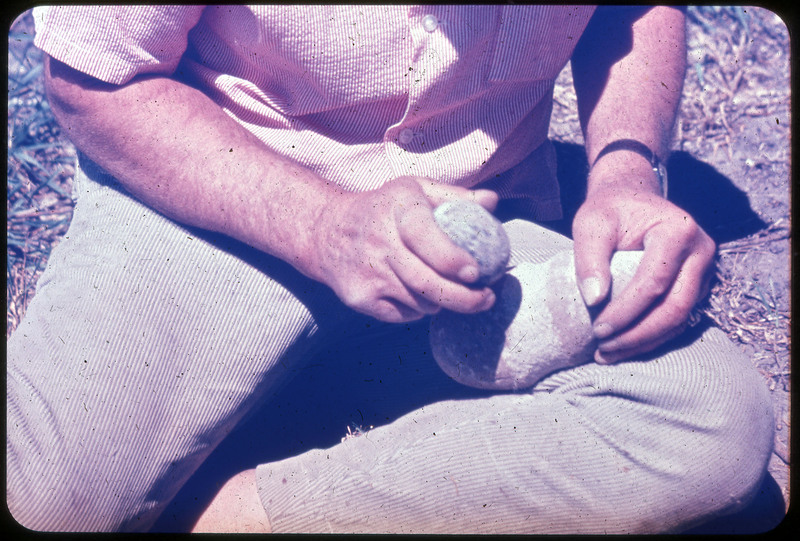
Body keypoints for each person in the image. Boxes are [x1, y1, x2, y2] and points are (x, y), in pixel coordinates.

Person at [7, 5, 775, 533]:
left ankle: (238, 516)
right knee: (47, 505)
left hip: (480, 222)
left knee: (705, 416)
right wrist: (318, 224)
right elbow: (91, 80)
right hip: (225, 193)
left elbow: (627, 9)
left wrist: (625, 171)